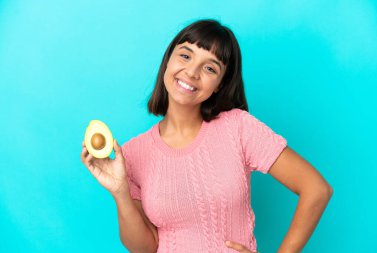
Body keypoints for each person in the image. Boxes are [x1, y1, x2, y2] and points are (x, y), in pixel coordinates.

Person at [81, 19, 333, 253]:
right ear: (168, 60)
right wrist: (120, 192)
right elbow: (145, 248)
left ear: (220, 84)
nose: (192, 72)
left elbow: (316, 189)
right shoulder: (133, 154)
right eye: (185, 55)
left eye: (210, 68)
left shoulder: (238, 128)